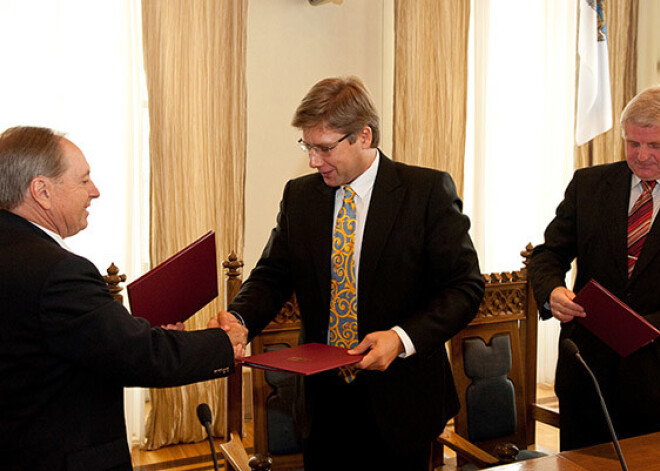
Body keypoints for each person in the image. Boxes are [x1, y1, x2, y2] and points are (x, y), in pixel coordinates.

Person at [218, 76, 484, 470]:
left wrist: (401, 338)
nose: (313, 160)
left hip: (402, 399)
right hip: (323, 403)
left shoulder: (425, 192)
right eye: (307, 146)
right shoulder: (300, 196)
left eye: (324, 148)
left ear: (364, 136)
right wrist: (239, 319)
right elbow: (272, 275)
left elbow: (465, 288)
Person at [0, 126, 248, 471]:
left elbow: (74, 342)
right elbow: (137, 355)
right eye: (83, 180)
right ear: (41, 191)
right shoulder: (57, 271)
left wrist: (141, 333)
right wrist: (223, 343)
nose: (95, 191)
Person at [529, 85, 660, 451]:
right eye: (633, 143)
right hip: (587, 374)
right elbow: (547, 255)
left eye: (655, 146)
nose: (642, 155)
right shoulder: (589, 185)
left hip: (654, 378)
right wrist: (552, 291)